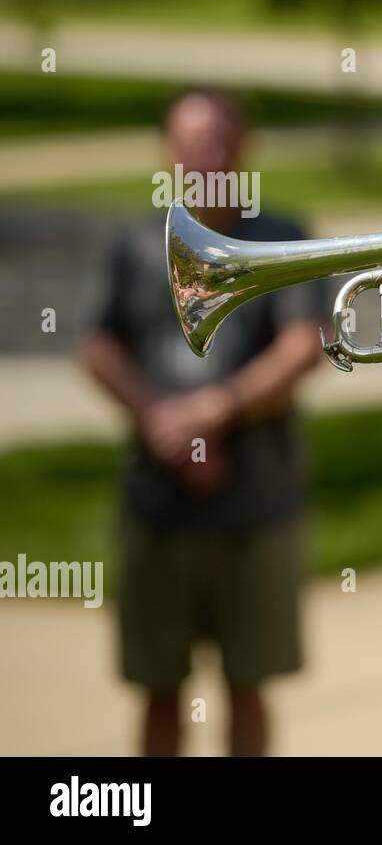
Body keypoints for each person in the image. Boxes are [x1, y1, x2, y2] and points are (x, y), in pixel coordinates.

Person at [81, 88, 326, 756]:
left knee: (249, 686)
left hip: (257, 498)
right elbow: (99, 348)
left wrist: (210, 415)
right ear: (168, 151)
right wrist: (167, 425)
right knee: (158, 689)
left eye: (220, 142)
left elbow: (305, 346)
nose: (206, 158)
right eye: (191, 144)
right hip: (157, 499)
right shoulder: (136, 243)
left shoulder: (283, 236)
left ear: (246, 148)